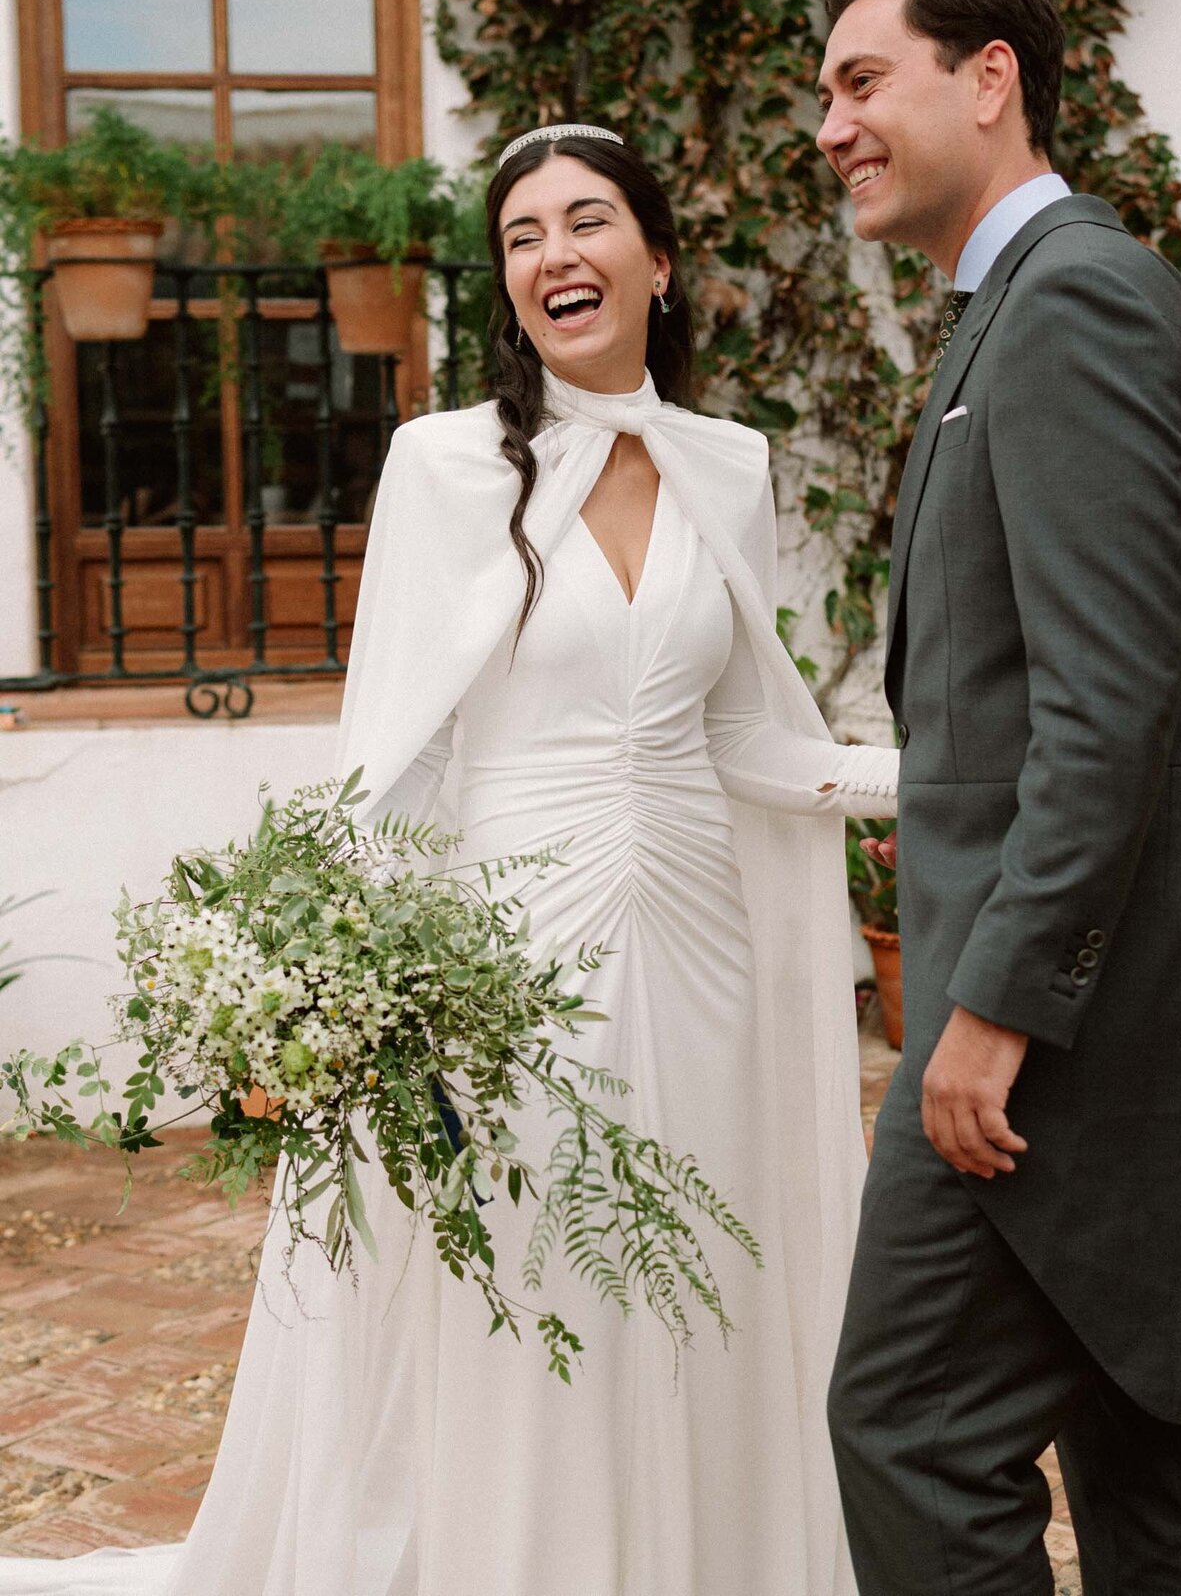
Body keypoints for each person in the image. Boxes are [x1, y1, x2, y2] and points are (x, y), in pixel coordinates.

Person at [0, 125, 897, 1596]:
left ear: (659, 263)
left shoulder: (732, 467)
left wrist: (926, 782)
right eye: (522, 236)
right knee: (541, 1273)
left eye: (587, 221)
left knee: (694, 1257)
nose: (555, 255)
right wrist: (334, 984)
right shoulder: (444, 465)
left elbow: (743, 732)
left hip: (700, 939)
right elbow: (397, 750)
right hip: (509, 950)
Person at [816, 0, 1181, 1593]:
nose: (830, 127)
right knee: (1151, 1448)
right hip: (1107, 1025)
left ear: (990, 79)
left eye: (861, 81)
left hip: (1047, 1042)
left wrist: (993, 1008)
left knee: (908, 1424)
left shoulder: (1074, 302)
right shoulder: (1026, 303)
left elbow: (1111, 703)